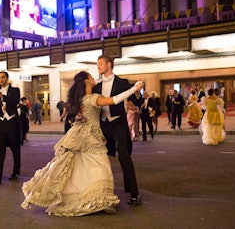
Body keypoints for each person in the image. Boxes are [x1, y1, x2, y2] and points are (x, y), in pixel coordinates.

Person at [21, 71, 145, 216]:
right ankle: (97, 198)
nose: (94, 77)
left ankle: (89, 196)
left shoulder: (80, 98)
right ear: (86, 81)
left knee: (81, 167)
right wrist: (134, 88)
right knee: (99, 165)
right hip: (91, 136)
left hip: (81, 133)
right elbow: (115, 100)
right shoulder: (93, 98)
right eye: (91, 77)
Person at [92, 54, 142, 205]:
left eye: (100, 63)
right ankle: (99, 192)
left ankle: (134, 193)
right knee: (98, 158)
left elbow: (136, 100)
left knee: (124, 156)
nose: (98, 66)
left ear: (109, 64)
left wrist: (138, 91)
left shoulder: (122, 82)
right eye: (97, 64)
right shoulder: (96, 86)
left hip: (118, 124)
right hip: (102, 125)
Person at [0, 71, 21, 185]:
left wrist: (2, 97)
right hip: (1, 124)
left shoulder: (15, 91)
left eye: (3, 77)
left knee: (15, 150)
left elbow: (14, 102)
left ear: (7, 78)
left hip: (12, 123)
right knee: (0, 150)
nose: (1, 79)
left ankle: (16, 171)